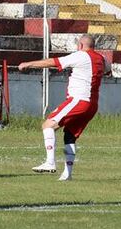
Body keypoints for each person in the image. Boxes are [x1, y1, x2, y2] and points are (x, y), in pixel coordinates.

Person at [18, 34, 105, 181]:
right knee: (69, 135)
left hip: (79, 100)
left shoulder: (81, 56)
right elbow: (108, 70)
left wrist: (28, 64)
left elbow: (53, 62)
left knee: (48, 125)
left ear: (81, 45)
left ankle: (50, 163)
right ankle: (67, 174)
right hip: (92, 104)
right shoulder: (102, 59)